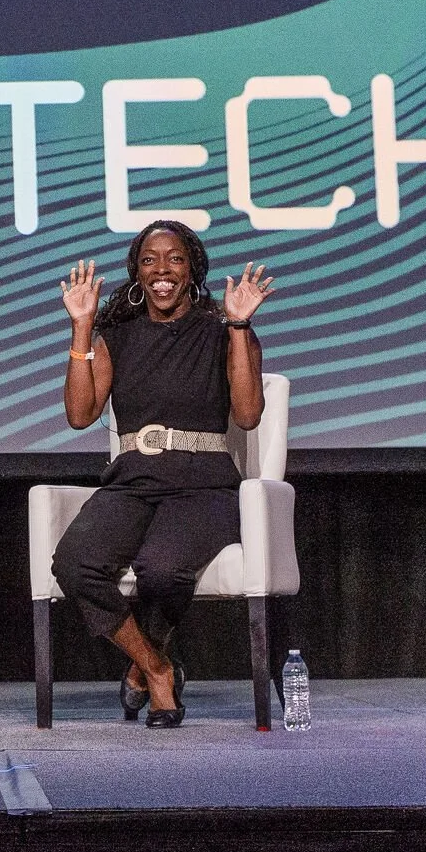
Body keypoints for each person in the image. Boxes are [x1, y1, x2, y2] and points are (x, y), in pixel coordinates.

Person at [50, 221, 274, 725]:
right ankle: (154, 665)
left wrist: (239, 326)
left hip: (203, 485)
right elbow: (80, 414)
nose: (162, 271)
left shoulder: (222, 329)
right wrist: (81, 326)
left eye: (174, 259)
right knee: (75, 563)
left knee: (162, 567)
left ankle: (147, 676)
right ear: (137, 272)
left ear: (192, 267)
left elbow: (247, 413)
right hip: (132, 483)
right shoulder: (117, 336)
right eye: (150, 260)